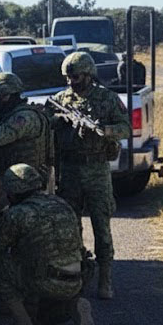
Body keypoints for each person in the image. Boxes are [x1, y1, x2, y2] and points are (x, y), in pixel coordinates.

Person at [49, 51, 130, 299]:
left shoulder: (107, 99)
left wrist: (104, 131)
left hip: (96, 170)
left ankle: (105, 281)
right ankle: (76, 278)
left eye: (76, 76)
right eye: (69, 77)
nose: (72, 81)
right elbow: (47, 123)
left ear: (89, 74)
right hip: (70, 170)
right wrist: (60, 120)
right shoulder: (61, 99)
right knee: (71, 228)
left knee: (101, 226)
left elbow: (125, 128)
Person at [0, 163, 96, 325]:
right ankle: (75, 303)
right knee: (50, 313)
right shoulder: (62, 204)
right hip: (77, 280)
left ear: (13, 192)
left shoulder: (17, 214)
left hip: (43, 281)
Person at [0, 72, 54, 186]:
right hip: (18, 178)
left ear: (7, 96)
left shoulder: (25, 116)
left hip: (28, 181)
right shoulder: (11, 112)